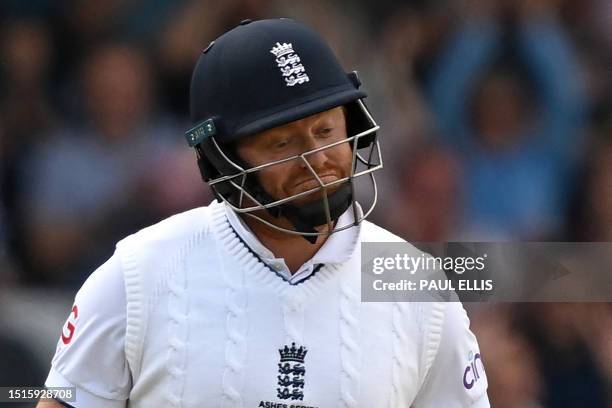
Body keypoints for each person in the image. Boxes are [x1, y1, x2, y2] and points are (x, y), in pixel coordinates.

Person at [39, 18, 489, 407]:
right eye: (282, 143)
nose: (318, 160)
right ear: (221, 160)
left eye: (326, 129)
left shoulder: (416, 285)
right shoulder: (137, 275)